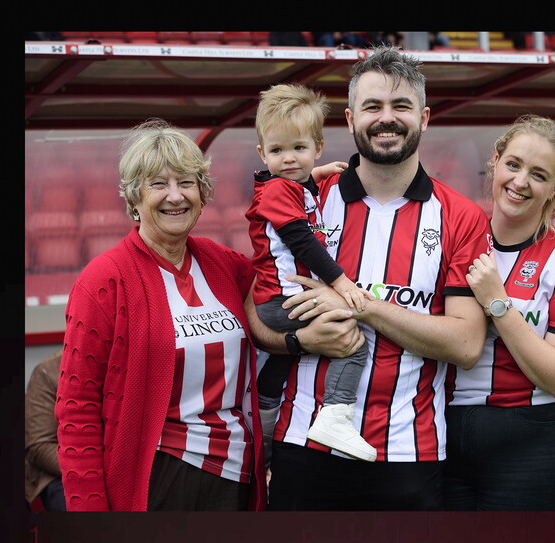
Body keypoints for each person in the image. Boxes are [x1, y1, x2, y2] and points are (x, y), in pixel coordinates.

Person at [55, 118, 361, 511]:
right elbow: (76, 410)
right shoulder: (102, 281)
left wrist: (299, 338)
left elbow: (270, 315)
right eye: (158, 184)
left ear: (203, 193)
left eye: (186, 183)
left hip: (238, 477)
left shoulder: (226, 266)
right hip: (158, 477)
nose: (175, 196)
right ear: (133, 198)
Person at [265, 45, 492, 511]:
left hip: (409, 452)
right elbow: (257, 309)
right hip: (304, 444)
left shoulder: (460, 216)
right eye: (372, 107)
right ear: (349, 120)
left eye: (401, 106)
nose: (386, 118)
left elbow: (467, 345)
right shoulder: (305, 198)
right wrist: (301, 340)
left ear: (424, 118)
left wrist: (358, 304)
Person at [444, 114, 555, 510]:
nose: (519, 183)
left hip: (538, 439)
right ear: (496, 161)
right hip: (446, 432)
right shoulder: (455, 241)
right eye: (513, 165)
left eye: (538, 175)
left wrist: (498, 305)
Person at [246, 83, 376, 463]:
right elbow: (302, 243)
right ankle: (335, 417)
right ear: (262, 153)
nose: (289, 159)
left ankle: (263, 430)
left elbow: (290, 184)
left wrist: (313, 175)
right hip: (284, 299)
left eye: (299, 149)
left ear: (318, 147)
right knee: (351, 340)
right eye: (277, 151)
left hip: (279, 298)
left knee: (281, 365)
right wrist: (342, 284)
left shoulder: (287, 185)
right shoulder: (278, 192)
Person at [25, 350, 66, 511]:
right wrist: (89, 473)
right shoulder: (48, 371)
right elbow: (39, 446)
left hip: (124, 472)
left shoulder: (133, 368)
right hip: (59, 473)